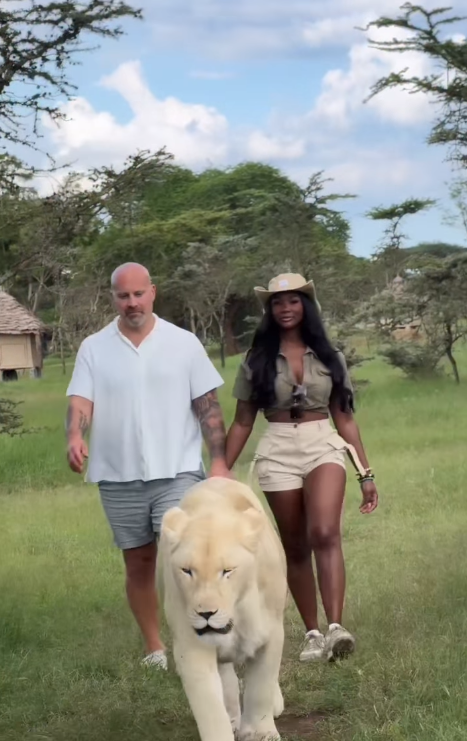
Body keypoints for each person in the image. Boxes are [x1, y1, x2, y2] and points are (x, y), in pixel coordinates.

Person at [65, 262, 231, 670]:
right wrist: (75, 436)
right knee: (138, 562)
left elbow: (207, 406)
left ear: (152, 292)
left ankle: (199, 639)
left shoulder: (183, 342)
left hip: (177, 471)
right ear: (113, 298)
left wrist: (220, 462)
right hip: (118, 477)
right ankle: (155, 647)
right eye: (123, 296)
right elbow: (81, 401)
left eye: (138, 294)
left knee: (184, 559)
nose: (132, 302)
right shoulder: (94, 347)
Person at [225, 273, 378, 664]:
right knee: (295, 545)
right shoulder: (256, 360)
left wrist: (365, 472)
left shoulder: (330, 357)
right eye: (278, 302)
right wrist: (220, 472)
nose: (286, 308)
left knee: (325, 531)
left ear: (305, 305)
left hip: (321, 442)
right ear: (270, 310)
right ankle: (311, 633)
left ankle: (336, 627)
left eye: (293, 300)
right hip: (277, 447)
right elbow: (243, 421)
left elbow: (344, 419)